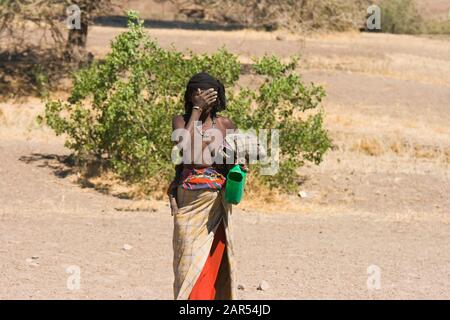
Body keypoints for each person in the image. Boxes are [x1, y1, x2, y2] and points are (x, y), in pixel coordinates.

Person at [168, 72, 244, 300]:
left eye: (206, 95)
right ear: (190, 97)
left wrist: (238, 163)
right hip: (190, 201)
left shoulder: (225, 124)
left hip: (217, 204)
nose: (200, 98)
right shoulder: (181, 121)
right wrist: (197, 110)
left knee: (213, 262)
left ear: (217, 97)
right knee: (187, 263)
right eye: (196, 94)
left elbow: (234, 160)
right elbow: (185, 145)